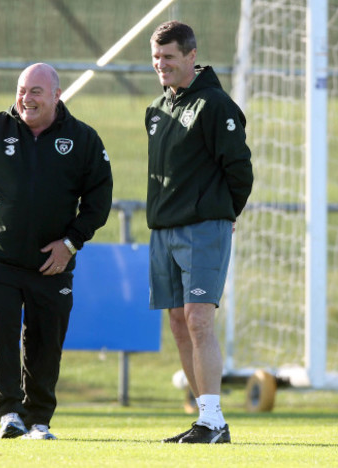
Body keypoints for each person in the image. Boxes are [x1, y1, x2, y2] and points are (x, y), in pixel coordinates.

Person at [0, 63, 113, 440]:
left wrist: (70, 243)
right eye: (21, 90)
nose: (25, 99)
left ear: (56, 96)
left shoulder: (82, 139)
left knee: (46, 346)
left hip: (52, 264)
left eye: (35, 92)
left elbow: (99, 199)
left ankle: (39, 420)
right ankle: (10, 414)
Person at [145, 21, 253, 444]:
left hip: (204, 228)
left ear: (191, 56)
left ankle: (212, 419)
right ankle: (207, 418)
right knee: (177, 322)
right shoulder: (157, 109)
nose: (161, 65)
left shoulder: (214, 105)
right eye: (156, 59)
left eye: (169, 57)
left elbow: (239, 171)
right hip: (164, 231)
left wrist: (224, 215)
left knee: (198, 319)